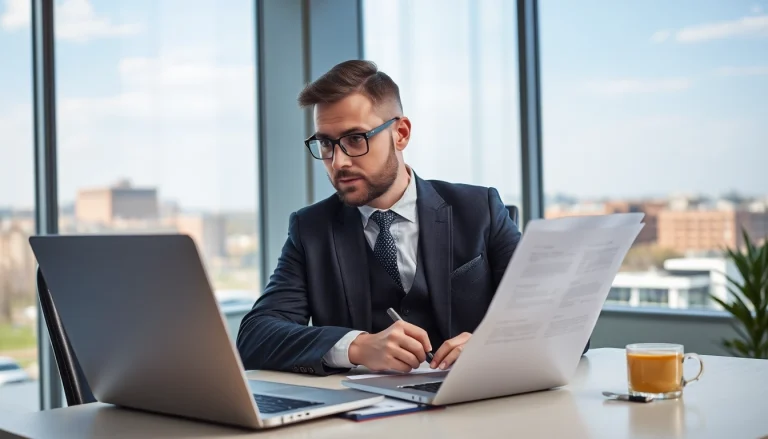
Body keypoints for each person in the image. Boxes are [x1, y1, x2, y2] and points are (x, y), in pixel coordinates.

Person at [236, 60, 585, 377]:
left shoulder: (480, 209)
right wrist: (355, 347)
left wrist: (491, 346)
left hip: (477, 409)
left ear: (400, 133)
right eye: (326, 144)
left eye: (355, 139)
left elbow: (564, 323)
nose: (338, 162)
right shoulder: (310, 229)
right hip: (363, 420)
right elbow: (256, 336)